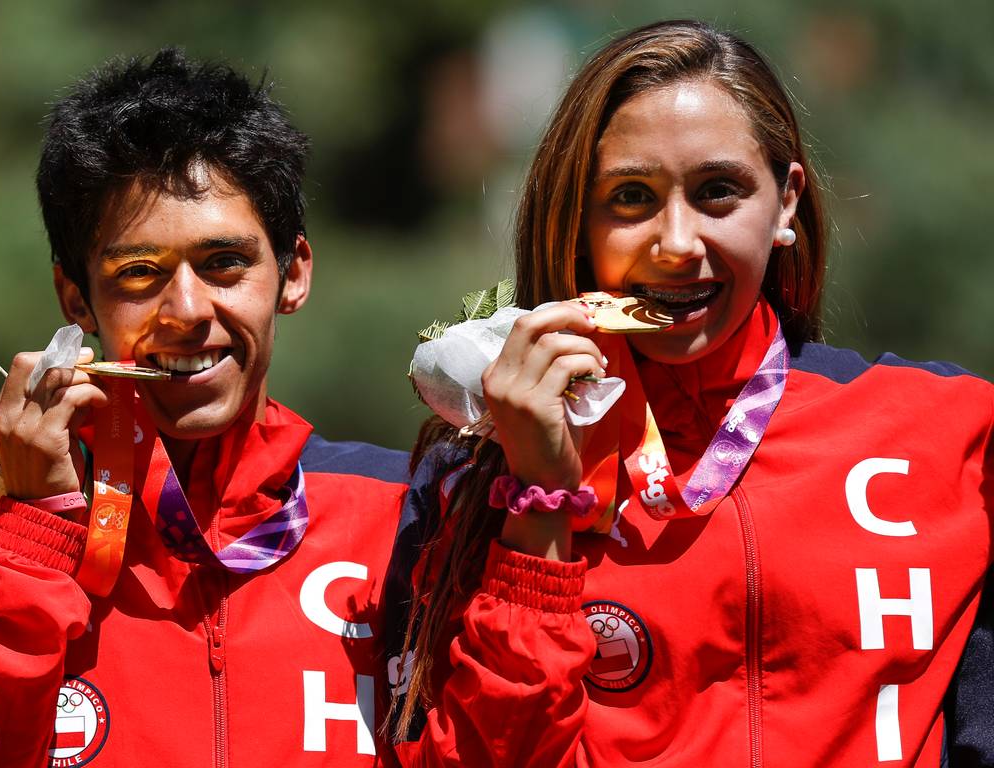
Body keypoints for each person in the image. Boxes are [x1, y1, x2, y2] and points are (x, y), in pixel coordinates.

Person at [384, 19, 993, 767]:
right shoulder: (470, 484)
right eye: (631, 197)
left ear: (786, 203)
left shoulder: (952, 434)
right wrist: (539, 501)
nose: (677, 243)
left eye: (718, 192)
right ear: (577, 220)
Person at [0, 49, 409, 767]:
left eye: (224, 263)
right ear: (76, 299)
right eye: (138, 273)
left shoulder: (405, 515)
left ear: (292, 273)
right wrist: (31, 535)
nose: (187, 311)